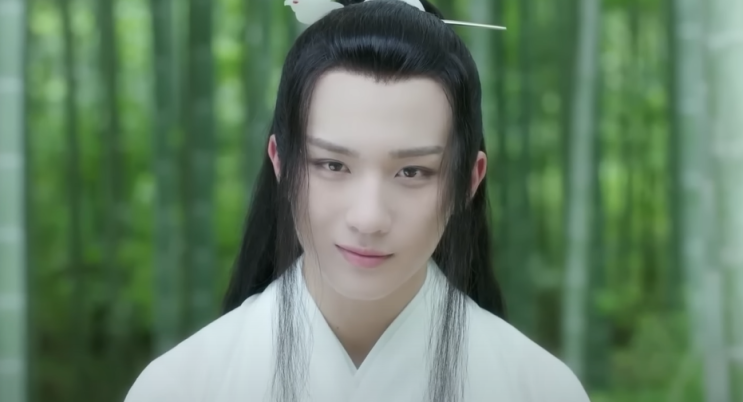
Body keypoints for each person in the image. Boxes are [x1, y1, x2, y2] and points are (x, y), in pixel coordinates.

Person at [124, 1, 591, 401]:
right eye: (332, 165)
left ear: (469, 181)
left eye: (412, 172)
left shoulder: (541, 389)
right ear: (281, 163)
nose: (368, 218)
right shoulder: (179, 387)